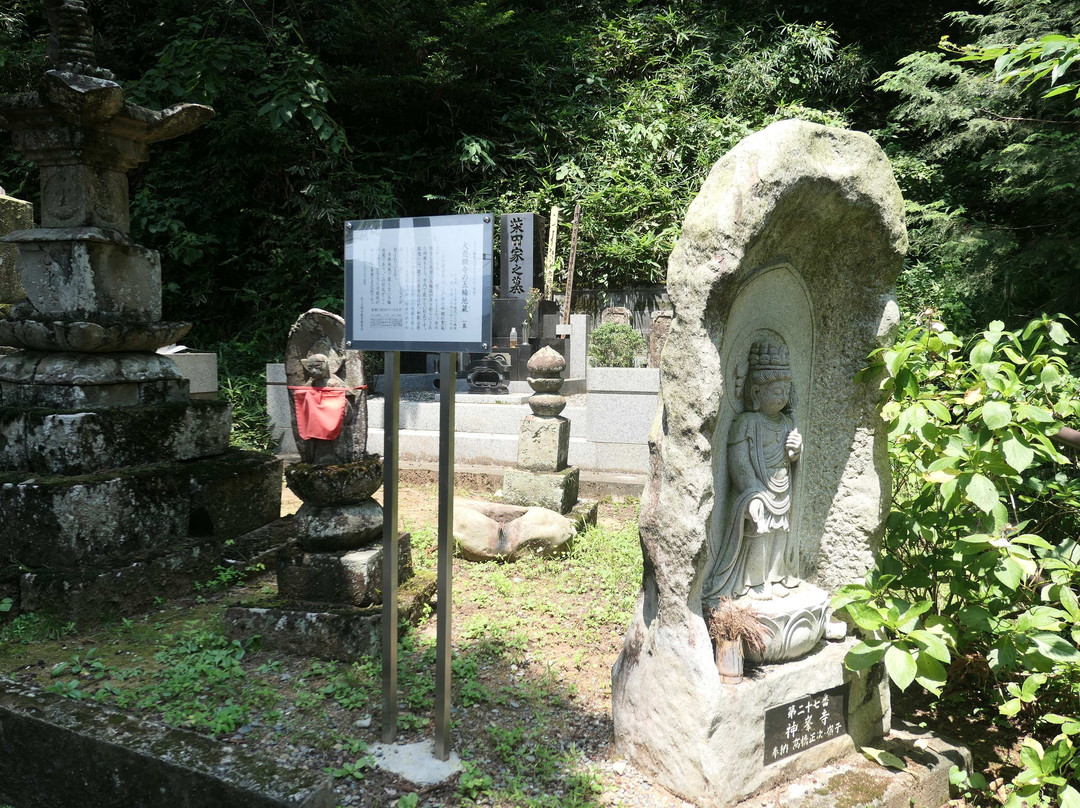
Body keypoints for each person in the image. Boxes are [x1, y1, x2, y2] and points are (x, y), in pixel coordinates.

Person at [706, 340, 802, 600]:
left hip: (782, 488)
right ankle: (754, 582)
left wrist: (795, 450)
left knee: (780, 533)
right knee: (758, 534)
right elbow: (739, 462)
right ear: (757, 393)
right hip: (757, 489)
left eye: (785, 390)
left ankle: (776, 576)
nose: (782, 396)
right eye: (776, 390)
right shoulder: (746, 423)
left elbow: (790, 458)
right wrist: (751, 492)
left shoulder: (786, 422)